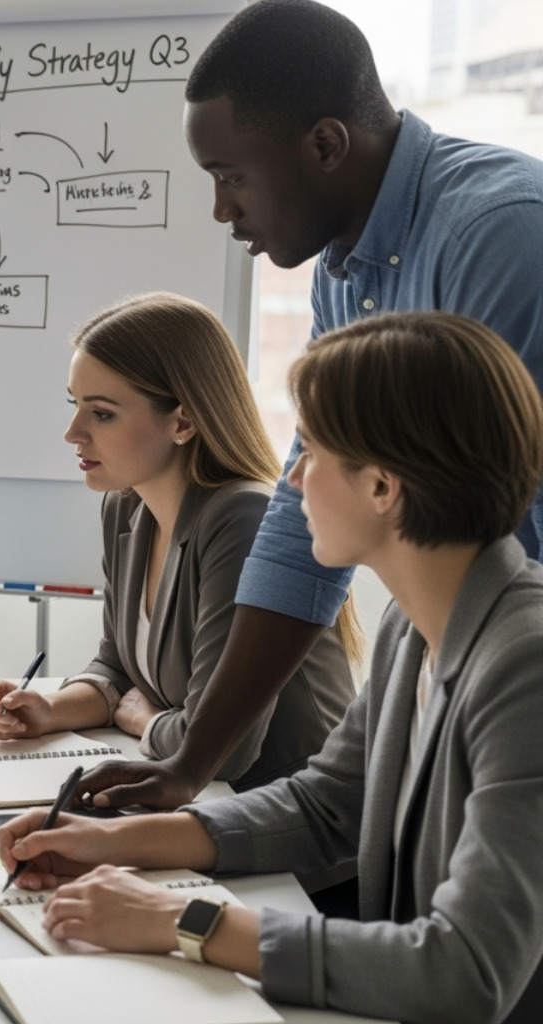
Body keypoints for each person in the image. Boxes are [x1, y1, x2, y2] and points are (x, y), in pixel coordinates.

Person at [0, 312, 543, 1024]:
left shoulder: (525, 662)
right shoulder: (418, 621)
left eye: (310, 453)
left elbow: (464, 972)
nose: (290, 481)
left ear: (382, 487)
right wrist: (110, 841)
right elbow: (325, 806)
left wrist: (177, 920)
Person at [80, 0, 543, 810]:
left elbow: (496, 508)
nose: (222, 210)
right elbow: (302, 531)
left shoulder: (497, 235)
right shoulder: (342, 269)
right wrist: (189, 765)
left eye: (230, 178)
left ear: (326, 144)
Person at [0, 294, 354, 790]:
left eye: (103, 414)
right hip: (203, 808)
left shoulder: (242, 518)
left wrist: (144, 722)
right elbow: (116, 665)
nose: (73, 433)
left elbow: (223, 750)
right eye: (76, 406)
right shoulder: (127, 505)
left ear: (182, 421)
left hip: (291, 829)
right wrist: (51, 709)